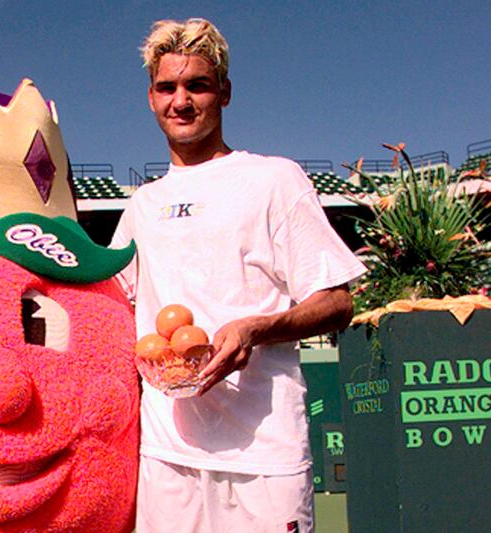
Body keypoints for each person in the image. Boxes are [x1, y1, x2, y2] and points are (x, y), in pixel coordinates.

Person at [111, 18, 366, 532]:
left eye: (197, 85)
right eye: (167, 87)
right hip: (167, 453)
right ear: (151, 97)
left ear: (223, 92)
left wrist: (256, 328)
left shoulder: (274, 180)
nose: (181, 101)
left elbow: (337, 303)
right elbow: (112, 307)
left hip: (263, 453)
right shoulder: (143, 204)